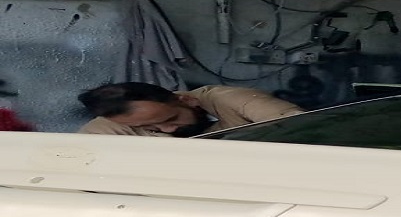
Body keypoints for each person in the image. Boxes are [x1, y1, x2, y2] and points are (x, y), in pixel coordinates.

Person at [77, 82, 305, 137]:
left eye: (172, 118)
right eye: (150, 127)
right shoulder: (111, 127)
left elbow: (302, 127)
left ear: (186, 100)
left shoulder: (231, 100)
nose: (167, 130)